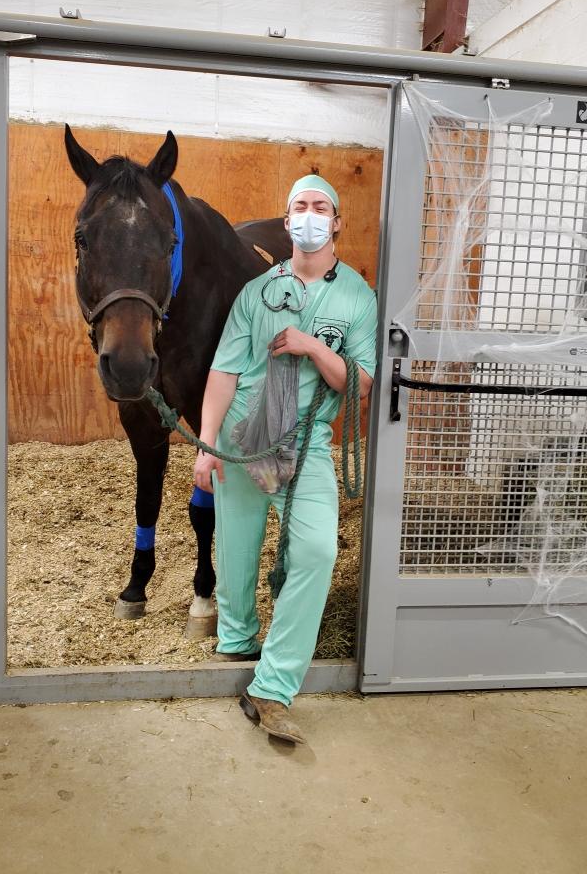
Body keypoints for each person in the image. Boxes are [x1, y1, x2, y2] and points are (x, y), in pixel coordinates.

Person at [193, 174, 378, 745]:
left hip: (306, 442)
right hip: (243, 436)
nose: (310, 215)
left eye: (321, 206)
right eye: (301, 206)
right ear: (287, 219)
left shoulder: (357, 297)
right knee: (236, 550)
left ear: (337, 221)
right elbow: (224, 370)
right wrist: (206, 442)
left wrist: (313, 346)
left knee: (317, 550)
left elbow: (361, 384)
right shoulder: (256, 292)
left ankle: (271, 686)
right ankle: (237, 640)